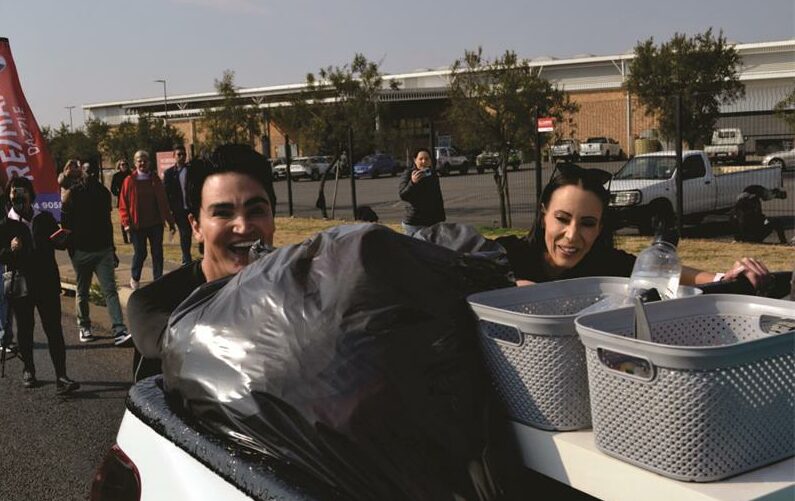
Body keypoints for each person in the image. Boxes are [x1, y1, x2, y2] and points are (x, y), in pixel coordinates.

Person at [128, 144, 277, 381]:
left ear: (273, 218)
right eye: (223, 213)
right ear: (196, 226)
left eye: (256, 211)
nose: (243, 226)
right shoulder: (157, 304)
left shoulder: (298, 288)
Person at [498, 162, 772, 289]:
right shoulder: (505, 256)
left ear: (601, 227)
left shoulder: (604, 265)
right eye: (562, 219)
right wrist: (510, 288)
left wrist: (722, 278)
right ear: (543, 214)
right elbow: (457, 269)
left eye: (587, 223)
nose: (572, 236)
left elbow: (664, 272)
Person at [6, 177, 79, 393]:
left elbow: (60, 244)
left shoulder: (45, 218)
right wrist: (11, 250)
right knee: (25, 330)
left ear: (30, 194)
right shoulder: (5, 224)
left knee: (54, 330)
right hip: (21, 284)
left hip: (46, 281)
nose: (18, 196)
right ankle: (29, 369)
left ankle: (61, 376)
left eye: (22, 192)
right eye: (13, 193)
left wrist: (63, 240)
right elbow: (2, 256)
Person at [61, 162, 132, 346]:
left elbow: (107, 223)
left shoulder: (102, 193)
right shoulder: (72, 194)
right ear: (81, 173)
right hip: (81, 251)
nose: (90, 174)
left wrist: (113, 250)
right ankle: (84, 326)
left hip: (102, 250)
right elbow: (65, 226)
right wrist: (72, 250)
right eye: (87, 171)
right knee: (82, 291)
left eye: (93, 171)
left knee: (110, 291)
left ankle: (119, 329)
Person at [118, 150, 176, 290]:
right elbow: (123, 204)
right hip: (137, 225)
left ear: (149, 162)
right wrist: (126, 223)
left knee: (157, 252)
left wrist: (170, 221)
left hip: (155, 223)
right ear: (135, 163)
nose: (142, 163)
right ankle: (135, 277)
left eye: (144, 160)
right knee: (140, 253)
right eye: (139, 160)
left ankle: (158, 280)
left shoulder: (155, 179)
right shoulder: (129, 181)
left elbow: (163, 202)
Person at [398, 147, 446, 235]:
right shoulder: (408, 174)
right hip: (414, 223)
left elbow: (437, 197)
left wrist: (441, 218)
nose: (424, 161)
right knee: (416, 248)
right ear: (415, 160)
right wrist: (413, 183)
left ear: (430, 161)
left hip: (432, 222)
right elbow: (403, 195)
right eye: (421, 159)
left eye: (427, 159)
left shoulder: (433, 175)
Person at [163, 144, 193, 265]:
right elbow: (167, 192)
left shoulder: (191, 170)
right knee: (185, 233)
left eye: (184, 154)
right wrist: (170, 210)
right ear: (174, 156)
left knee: (192, 233)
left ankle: (187, 257)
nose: (182, 157)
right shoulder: (169, 173)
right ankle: (187, 259)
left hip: (192, 207)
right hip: (179, 209)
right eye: (179, 154)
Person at [110, 159, 132, 244]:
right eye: (122, 164)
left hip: (131, 199)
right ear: (119, 166)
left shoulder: (130, 175)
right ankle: (125, 239)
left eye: (125, 164)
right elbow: (112, 188)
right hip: (121, 199)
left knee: (132, 218)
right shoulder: (116, 176)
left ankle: (132, 237)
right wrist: (119, 193)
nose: (124, 166)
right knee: (124, 219)